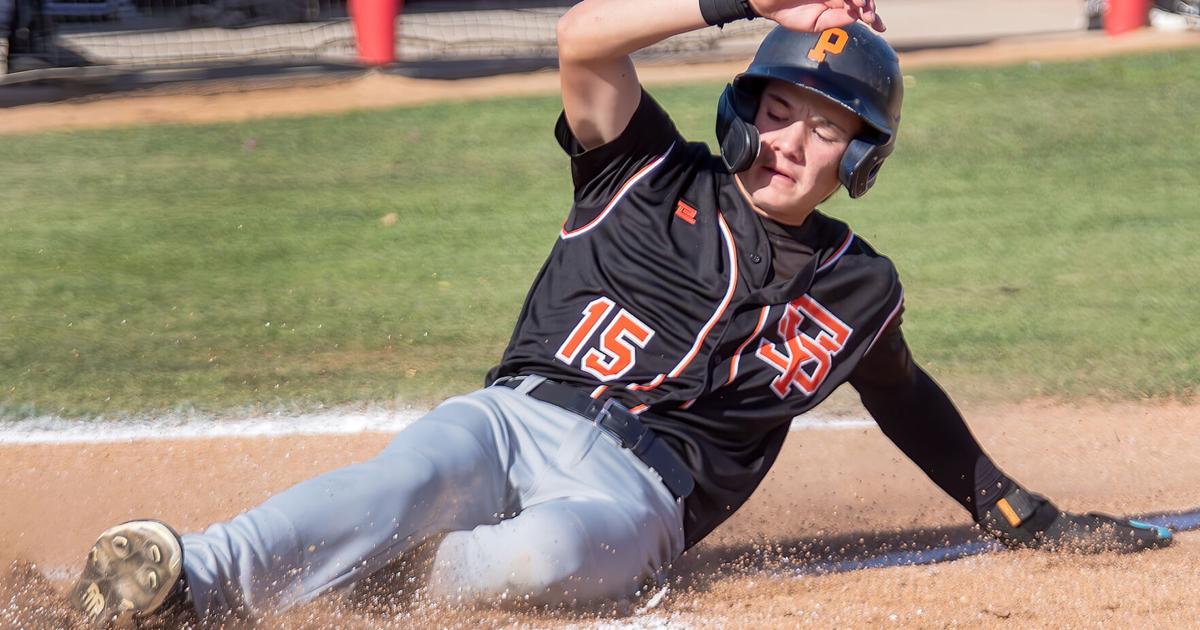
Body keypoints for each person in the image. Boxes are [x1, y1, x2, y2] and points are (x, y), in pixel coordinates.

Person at [69, 0, 1174, 626]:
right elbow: (585, 39)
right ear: (744, 111)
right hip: (513, 419)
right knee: (403, 480)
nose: (792, 143)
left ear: (864, 158)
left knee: (535, 563)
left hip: (634, 493)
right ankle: (178, 580)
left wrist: (1017, 512)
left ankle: (360, 600)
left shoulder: (857, 286)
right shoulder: (643, 171)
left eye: (827, 130)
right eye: (779, 110)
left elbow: (908, 401)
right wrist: (751, 1)